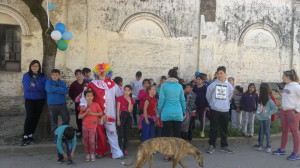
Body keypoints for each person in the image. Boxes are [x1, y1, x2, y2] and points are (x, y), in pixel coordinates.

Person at [80, 63, 124, 159]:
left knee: (112, 132)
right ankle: (100, 151)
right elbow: (84, 95)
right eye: (99, 72)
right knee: (99, 134)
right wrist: (83, 104)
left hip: (110, 113)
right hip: (97, 113)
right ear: (96, 73)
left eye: (104, 71)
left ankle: (116, 152)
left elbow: (120, 95)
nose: (102, 73)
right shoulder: (92, 84)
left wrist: (129, 95)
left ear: (107, 72)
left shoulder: (113, 84)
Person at [157, 69, 186, 161]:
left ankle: (167, 154)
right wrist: (184, 112)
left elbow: (161, 100)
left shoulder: (164, 86)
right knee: (177, 134)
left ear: (168, 75)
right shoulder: (179, 86)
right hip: (178, 112)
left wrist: (158, 112)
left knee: (166, 134)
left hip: (166, 112)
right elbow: (182, 100)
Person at [206, 66, 234, 154]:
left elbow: (229, 96)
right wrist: (213, 104)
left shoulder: (229, 86)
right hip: (215, 110)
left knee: (224, 129)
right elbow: (208, 96)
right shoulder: (212, 85)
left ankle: (224, 146)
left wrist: (224, 104)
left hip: (225, 110)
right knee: (213, 128)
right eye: (217, 73)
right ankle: (211, 145)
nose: (219, 75)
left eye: (221, 73)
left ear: (225, 74)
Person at [273, 69, 300, 160]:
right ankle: (282, 149)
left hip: (292, 112)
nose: (282, 77)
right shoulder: (286, 86)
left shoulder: (296, 86)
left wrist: (297, 110)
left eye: (283, 76)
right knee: (284, 130)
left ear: (288, 77)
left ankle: (296, 153)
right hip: (284, 111)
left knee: (294, 132)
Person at [19, 60, 47, 146]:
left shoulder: (43, 76)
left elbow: (44, 87)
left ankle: (31, 135)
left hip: (40, 99)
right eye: (33, 66)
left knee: (36, 117)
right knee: (29, 117)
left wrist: (34, 85)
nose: (35, 67)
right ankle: (25, 136)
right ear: (30, 67)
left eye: (37, 66)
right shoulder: (26, 76)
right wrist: (38, 87)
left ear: (39, 67)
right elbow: (27, 87)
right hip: (29, 99)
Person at [78, 90, 103, 162]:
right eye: (87, 96)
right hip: (85, 126)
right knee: (86, 141)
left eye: (91, 96)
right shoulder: (83, 106)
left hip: (93, 126)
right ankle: (87, 154)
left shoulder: (96, 104)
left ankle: (92, 153)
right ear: (85, 97)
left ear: (93, 97)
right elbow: (79, 117)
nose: (89, 97)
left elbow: (101, 113)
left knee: (92, 141)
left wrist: (93, 113)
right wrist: (86, 112)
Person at [45, 69, 70, 134]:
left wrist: (54, 89)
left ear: (59, 76)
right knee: (54, 122)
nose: (54, 76)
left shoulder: (62, 82)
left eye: (56, 75)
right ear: (51, 75)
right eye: (53, 75)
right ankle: (55, 136)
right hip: (52, 104)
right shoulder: (48, 82)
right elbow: (49, 90)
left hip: (62, 104)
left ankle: (63, 133)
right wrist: (59, 88)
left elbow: (66, 91)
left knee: (66, 119)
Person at [256, 86, 278, 153]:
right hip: (261, 119)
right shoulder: (260, 100)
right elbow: (259, 109)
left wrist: (268, 114)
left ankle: (268, 146)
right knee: (261, 132)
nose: (259, 92)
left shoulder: (270, 100)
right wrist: (258, 115)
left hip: (267, 119)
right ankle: (260, 146)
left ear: (263, 92)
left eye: (260, 91)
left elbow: (275, 108)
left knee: (267, 132)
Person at [69, 69, 88, 138]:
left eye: (80, 74)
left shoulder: (86, 83)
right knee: (78, 116)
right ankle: (80, 130)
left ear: (83, 75)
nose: (79, 76)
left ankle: (86, 129)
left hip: (86, 103)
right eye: (77, 74)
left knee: (86, 116)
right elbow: (70, 93)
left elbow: (90, 91)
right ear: (75, 76)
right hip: (78, 103)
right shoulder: (74, 84)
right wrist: (75, 99)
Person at [116, 85, 134, 157]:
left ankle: (125, 148)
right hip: (121, 116)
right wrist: (118, 119)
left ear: (130, 91)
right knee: (120, 134)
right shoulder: (120, 98)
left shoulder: (132, 99)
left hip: (128, 117)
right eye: (125, 90)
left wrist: (129, 102)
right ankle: (119, 148)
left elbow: (130, 110)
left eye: (128, 90)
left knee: (126, 134)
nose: (126, 92)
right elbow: (118, 109)